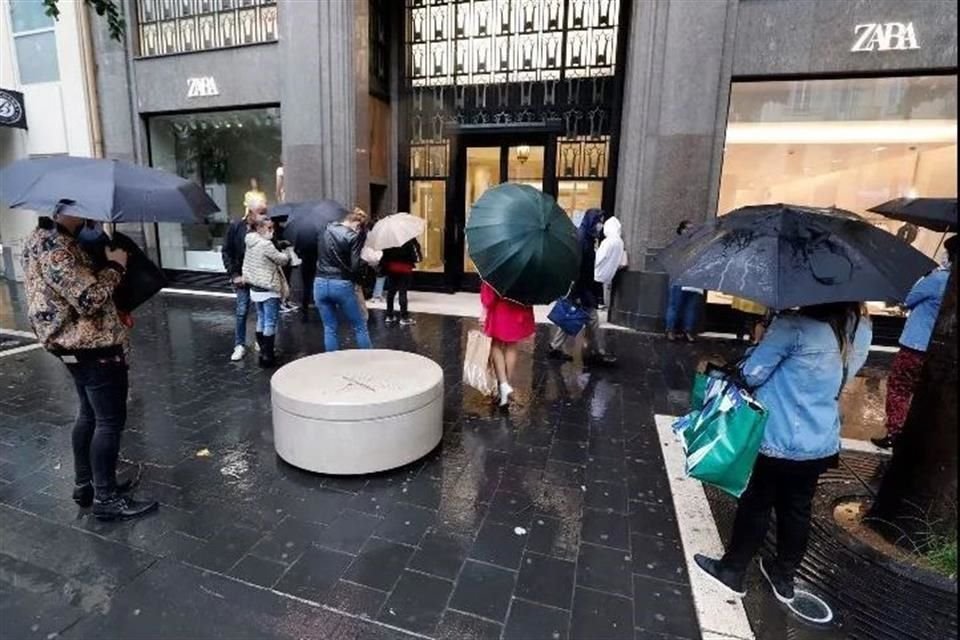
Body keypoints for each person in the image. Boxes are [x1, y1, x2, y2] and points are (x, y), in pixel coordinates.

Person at [695, 302, 872, 604]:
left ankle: (733, 570)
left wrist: (760, 341)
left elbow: (752, 375)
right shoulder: (861, 328)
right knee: (798, 507)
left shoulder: (793, 326)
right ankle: (783, 576)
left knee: (758, 502)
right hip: (819, 439)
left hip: (777, 436)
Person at [21, 209, 158, 521]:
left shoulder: (38, 238)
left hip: (70, 346)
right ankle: (106, 498)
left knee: (89, 413)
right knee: (108, 421)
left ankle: (88, 485)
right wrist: (115, 266)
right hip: (92, 346)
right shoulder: (58, 248)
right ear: (67, 207)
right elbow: (89, 300)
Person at [872, 235, 957, 449]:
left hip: (916, 347)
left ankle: (896, 433)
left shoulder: (938, 279)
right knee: (928, 395)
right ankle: (923, 438)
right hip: (943, 352)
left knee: (899, 389)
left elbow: (908, 300)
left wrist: (926, 277)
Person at [548, 209, 617, 366]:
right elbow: (578, 268)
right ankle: (598, 352)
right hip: (582, 289)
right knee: (592, 319)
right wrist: (578, 293)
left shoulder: (587, 237)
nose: (600, 224)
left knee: (571, 317)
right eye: (599, 220)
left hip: (583, 288)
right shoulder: (583, 240)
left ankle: (554, 347)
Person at [314, 207, 373, 352]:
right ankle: (368, 360)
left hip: (320, 283)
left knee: (329, 327)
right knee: (360, 325)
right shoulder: (352, 237)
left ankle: (332, 362)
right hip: (341, 284)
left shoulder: (324, 231)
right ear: (356, 224)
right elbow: (355, 267)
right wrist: (367, 261)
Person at [242, 216, 291, 367]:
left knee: (261, 319)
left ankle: (263, 350)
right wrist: (287, 252)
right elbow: (281, 260)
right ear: (259, 228)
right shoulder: (265, 244)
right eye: (269, 228)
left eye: (273, 228)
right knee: (270, 321)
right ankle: (268, 356)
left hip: (255, 287)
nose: (272, 231)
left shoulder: (250, 241)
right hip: (269, 287)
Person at [480, 281, 535, 407]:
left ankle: (503, 384)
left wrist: (484, 310)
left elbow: (489, 297)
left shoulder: (499, 265)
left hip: (501, 308)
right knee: (512, 345)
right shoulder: (528, 268)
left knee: (496, 344)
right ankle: (505, 386)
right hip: (519, 308)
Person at [222, 207, 259, 361]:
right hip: (242, 276)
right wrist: (234, 274)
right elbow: (226, 251)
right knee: (242, 310)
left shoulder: (263, 226)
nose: (261, 216)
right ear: (249, 213)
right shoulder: (236, 227)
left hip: (259, 276)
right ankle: (239, 344)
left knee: (261, 311)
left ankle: (261, 341)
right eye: (258, 213)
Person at [664, 220, 704, 342]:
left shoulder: (698, 244)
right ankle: (670, 329)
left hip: (693, 279)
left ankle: (688, 330)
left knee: (691, 306)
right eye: (688, 228)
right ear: (681, 230)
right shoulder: (677, 244)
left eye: (693, 228)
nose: (691, 231)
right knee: (675, 305)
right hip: (679, 277)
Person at [383, 238, 422, 326]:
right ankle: (404, 317)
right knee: (402, 292)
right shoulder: (409, 239)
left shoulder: (388, 239)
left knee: (391, 292)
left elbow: (384, 255)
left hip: (391, 268)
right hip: (405, 268)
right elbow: (417, 256)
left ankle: (389, 315)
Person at [595, 214, 625, 312]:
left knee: (596, 287)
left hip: (600, 270)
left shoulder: (607, 241)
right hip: (611, 271)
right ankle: (601, 302)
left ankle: (598, 302)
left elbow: (599, 257)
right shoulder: (620, 241)